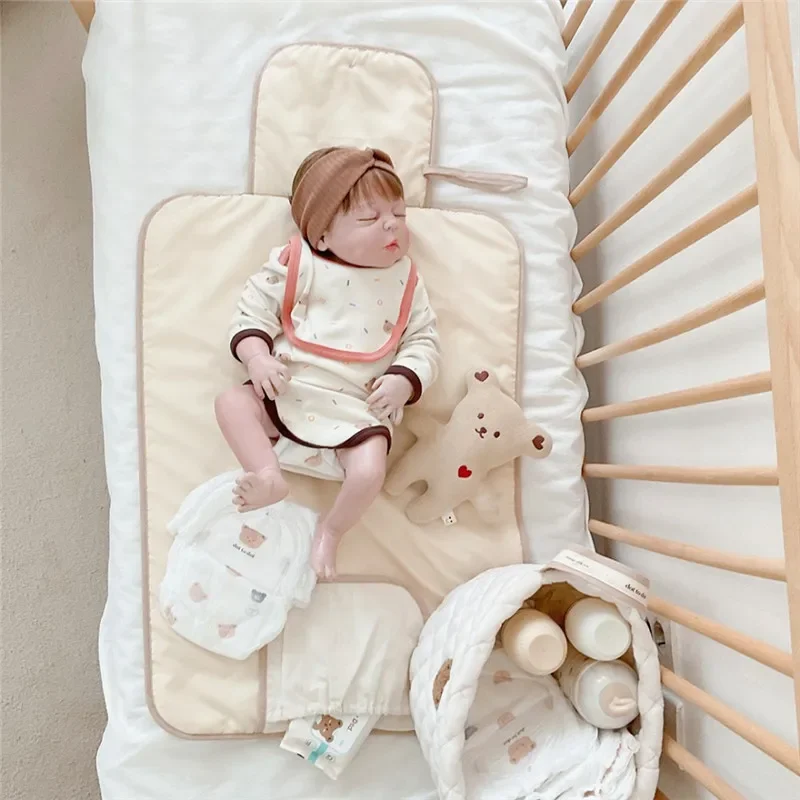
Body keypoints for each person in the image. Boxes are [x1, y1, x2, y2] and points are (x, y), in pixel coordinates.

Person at [215, 146, 441, 579]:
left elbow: (424, 340)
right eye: (370, 218)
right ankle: (266, 474)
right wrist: (257, 357)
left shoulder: (406, 282)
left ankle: (332, 530)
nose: (391, 223)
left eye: (399, 213)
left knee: (370, 470)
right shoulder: (297, 264)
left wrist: (405, 378)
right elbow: (251, 313)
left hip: (358, 409)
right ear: (321, 236)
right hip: (287, 388)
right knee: (231, 403)